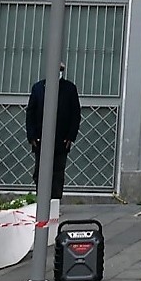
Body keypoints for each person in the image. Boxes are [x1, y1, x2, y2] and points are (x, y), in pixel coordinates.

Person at [25, 61, 82, 200]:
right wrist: (32, 136)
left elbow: (75, 114)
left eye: (60, 69)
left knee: (57, 172)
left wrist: (70, 136)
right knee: (40, 172)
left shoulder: (69, 88)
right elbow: (30, 113)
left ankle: (55, 201)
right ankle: (41, 200)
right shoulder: (38, 87)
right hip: (41, 139)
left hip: (61, 139)